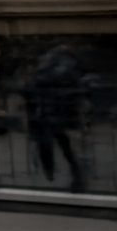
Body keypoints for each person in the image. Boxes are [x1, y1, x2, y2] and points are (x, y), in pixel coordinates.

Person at [28, 44, 85, 192]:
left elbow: (39, 81)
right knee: (62, 143)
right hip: (58, 110)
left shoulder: (51, 67)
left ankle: (51, 172)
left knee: (52, 143)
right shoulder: (65, 66)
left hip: (52, 110)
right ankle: (65, 172)